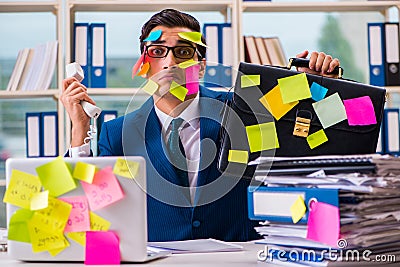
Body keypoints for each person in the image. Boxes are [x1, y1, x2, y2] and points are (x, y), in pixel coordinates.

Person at [61, 9, 340, 242]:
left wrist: (319, 87)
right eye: (157, 51)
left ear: (201, 66)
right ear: (144, 65)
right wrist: (79, 130)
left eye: (183, 51)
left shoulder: (244, 110)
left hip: (241, 259)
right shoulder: (115, 134)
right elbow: (86, 211)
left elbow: (313, 150)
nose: (170, 62)